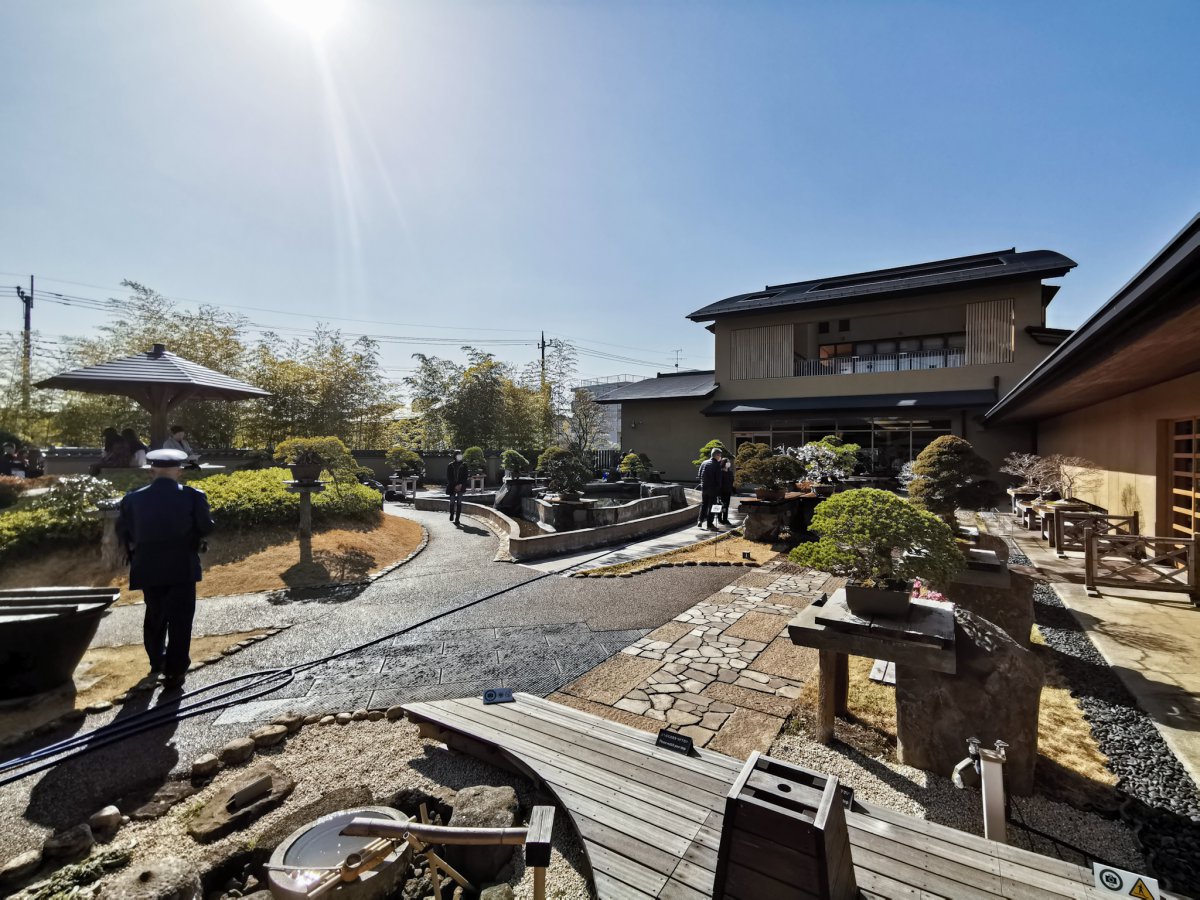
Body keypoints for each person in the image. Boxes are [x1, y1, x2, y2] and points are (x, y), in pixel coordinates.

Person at [116, 448, 215, 690]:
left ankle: (156, 661)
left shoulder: (131, 499)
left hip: (147, 565)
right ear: (179, 471)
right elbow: (205, 527)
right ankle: (175, 671)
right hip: (181, 565)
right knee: (180, 620)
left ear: (151, 470)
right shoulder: (193, 496)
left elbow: (124, 532)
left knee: (155, 615)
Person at [696, 447, 724, 531]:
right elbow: (718, 479)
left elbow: (699, 474)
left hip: (704, 487)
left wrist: (703, 483)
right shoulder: (717, 465)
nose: (720, 457)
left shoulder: (704, 463)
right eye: (720, 455)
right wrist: (719, 490)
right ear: (717, 455)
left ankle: (700, 521)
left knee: (704, 504)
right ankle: (709, 524)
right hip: (713, 488)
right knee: (712, 506)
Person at [446, 450, 469, 524]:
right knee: (452, 501)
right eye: (458, 455)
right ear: (455, 456)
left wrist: (460, 484)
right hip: (452, 485)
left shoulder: (464, 465)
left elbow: (465, 476)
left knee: (459, 501)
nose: (460, 456)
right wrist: (454, 485)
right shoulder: (450, 465)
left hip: (461, 485)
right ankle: (452, 513)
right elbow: (449, 477)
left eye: (461, 455)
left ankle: (457, 519)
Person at [718, 453, 735, 525]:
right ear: (724, 463)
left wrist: (734, 490)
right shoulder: (720, 472)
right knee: (721, 505)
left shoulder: (730, 472)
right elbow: (719, 483)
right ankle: (720, 519)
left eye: (729, 462)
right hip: (721, 492)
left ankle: (725, 519)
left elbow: (732, 482)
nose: (729, 463)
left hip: (728, 491)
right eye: (727, 462)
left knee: (726, 506)